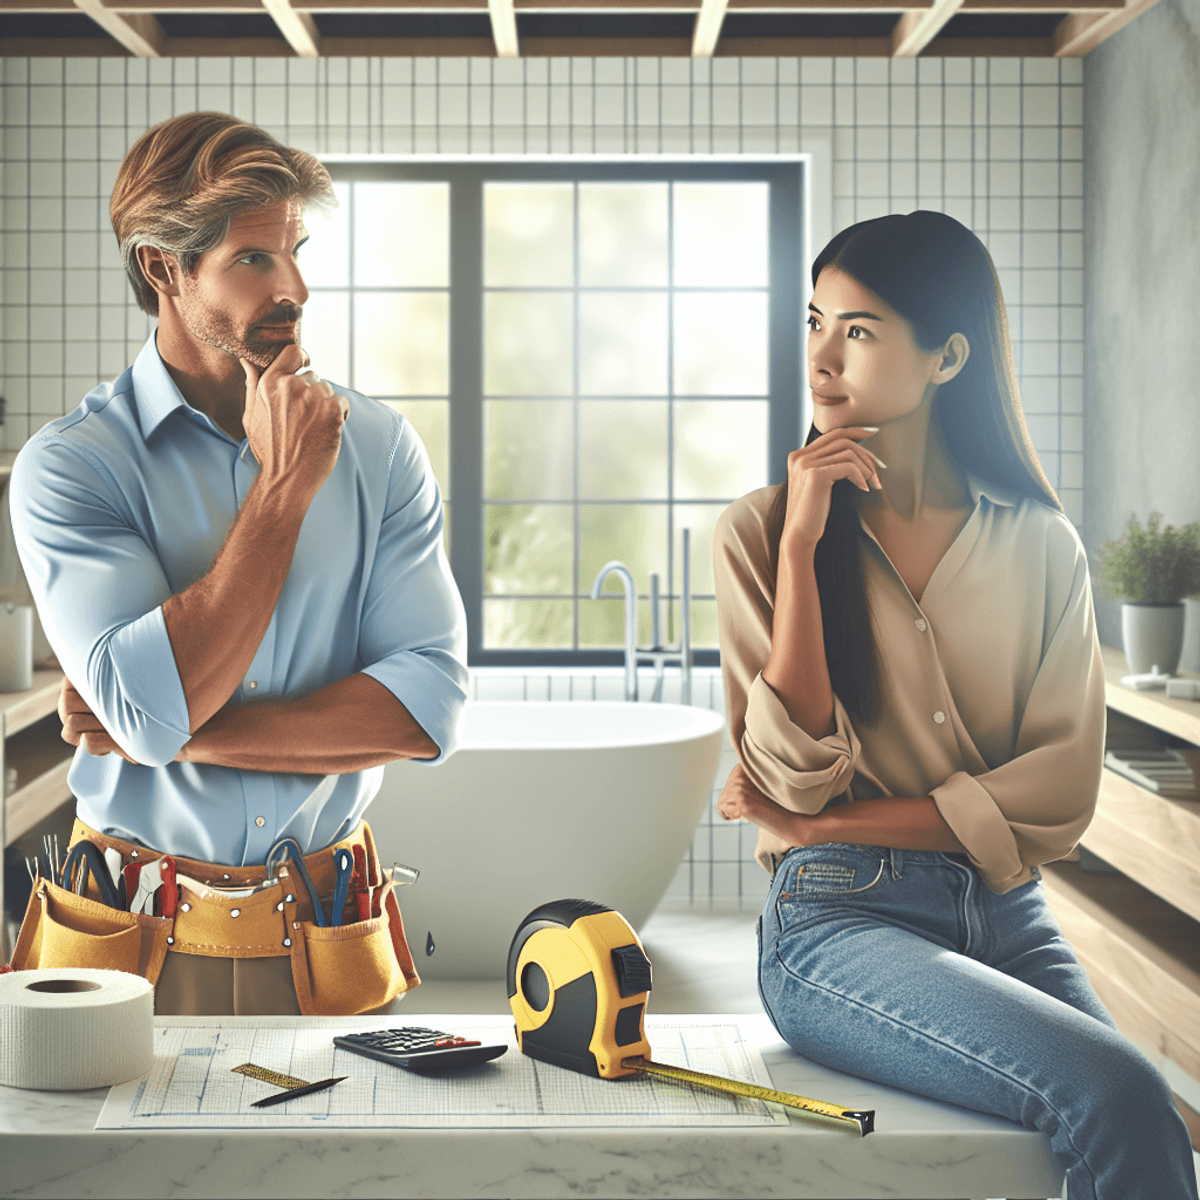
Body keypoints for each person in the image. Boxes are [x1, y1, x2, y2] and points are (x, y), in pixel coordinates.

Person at [713, 210, 1198, 1199]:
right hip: (837, 921)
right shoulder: (760, 534)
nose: (822, 358)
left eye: (859, 330)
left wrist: (833, 822)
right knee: (1115, 1093)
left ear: (948, 357)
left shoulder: (1042, 544)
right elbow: (792, 781)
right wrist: (803, 550)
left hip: (1009, 915)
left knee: (1147, 1115)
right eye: (815, 322)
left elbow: (1058, 791)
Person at [7, 112, 468, 1016]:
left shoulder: (380, 447)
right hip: (124, 944)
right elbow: (148, 716)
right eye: (253, 259)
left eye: (294, 250)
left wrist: (175, 732)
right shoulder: (71, 467)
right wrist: (284, 489)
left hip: (328, 939)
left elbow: (428, 711)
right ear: (162, 268)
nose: (293, 286)